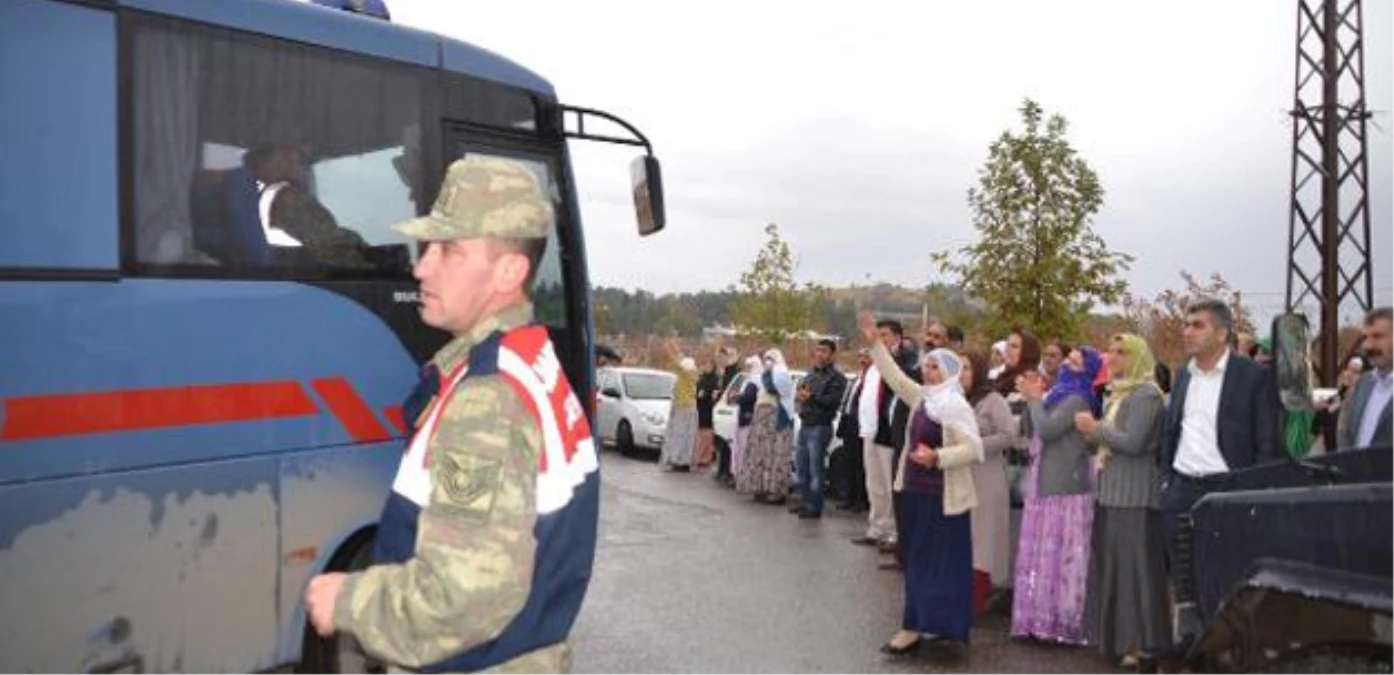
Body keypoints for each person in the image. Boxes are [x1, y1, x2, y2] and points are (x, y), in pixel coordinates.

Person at [302, 156, 598, 673]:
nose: (421, 266)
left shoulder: (488, 397)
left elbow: (464, 598)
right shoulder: (530, 361)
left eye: (450, 250)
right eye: (427, 247)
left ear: (510, 270)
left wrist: (347, 599)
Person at [859, 312, 983, 658]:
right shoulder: (924, 399)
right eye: (926, 367)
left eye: (933, 368)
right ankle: (912, 626)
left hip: (945, 499)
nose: (926, 373)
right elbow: (896, 377)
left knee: (944, 564)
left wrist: (939, 457)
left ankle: (946, 627)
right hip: (915, 493)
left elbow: (974, 448)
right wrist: (875, 344)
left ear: (948, 373)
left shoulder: (955, 406)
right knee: (916, 561)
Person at [1160, 298, 1280, 643]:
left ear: (1222, 333)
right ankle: (1191, 649)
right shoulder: (1184, 374)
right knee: (1185, 585)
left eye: (1198, 325)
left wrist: (1255, 496)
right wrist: (1166, 481)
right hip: (1182, 490)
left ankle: (1230, 653)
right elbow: (1173, 429)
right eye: (1187, 324)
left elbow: (1266, 444)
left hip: (1228, 490)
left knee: (1227, 581)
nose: (1187, 331)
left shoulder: (1253, 377)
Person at [1078, 335, 1171, 668]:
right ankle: (1118, 640)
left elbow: (1133, 443)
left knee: (1136, 572)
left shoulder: (1146, 395)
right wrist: (1093, 434)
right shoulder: (1119, 394)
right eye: (1111, 351)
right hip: (1112, 490)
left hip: (1134, 494)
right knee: (1115, 569)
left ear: (1137, 357)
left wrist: (1096, 428)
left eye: (1121, 352)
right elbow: (1111, 441)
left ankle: (1142, 643)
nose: (1113, 357)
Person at [1011, 346, 1104, 646]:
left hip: (1065, 488)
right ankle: (1037, 618)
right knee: (1042, 556)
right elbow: (1033, 427)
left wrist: (1035, 398)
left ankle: (1063, 622)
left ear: (1087, 372)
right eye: (1069, 358)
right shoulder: (1057, 394)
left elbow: (1049, 429)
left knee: (1062, 560)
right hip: (1045, 481)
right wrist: (1033, 398)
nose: (1067, 363)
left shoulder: (1078, 398)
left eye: (1076, 362)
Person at [959, 349, 1015, 613]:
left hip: (987, 477)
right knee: (962, 540)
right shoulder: (956, 400)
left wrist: (974, 446)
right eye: (958, 368)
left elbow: (1007, 436)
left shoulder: (993, 400)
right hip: (960, 478)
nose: (962, 374)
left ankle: (978, 599)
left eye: (967, 368)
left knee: (982, 540)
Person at [791, 339, 847, 518]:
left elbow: (832, 401)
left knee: (816, 469)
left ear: (832, 354)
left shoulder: (837, 378)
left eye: (824, 351)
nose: (820, 354)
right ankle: (805, 502)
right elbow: (801, 393)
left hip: (820, 426)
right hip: (805, 424)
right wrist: (801, 396)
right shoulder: (810, 374)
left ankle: (814, 506)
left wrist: (812, 397)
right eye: (818, 350)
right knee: (802, 468)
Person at [1336, 307, 1394, 450]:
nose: (1368, 345)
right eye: (1365, 338)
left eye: (1377, 336)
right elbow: (1347, 437)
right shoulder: (1364, 383)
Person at [659, 341, 699, 472]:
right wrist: (675, 350)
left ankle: (679, 460)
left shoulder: (686, 374)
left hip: (684, 407)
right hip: (685, 406)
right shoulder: (690, 374)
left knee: (680, 434)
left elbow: (676, 364)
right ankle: (682, 460)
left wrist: (670, 350)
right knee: (686, 435)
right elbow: (678, 363)